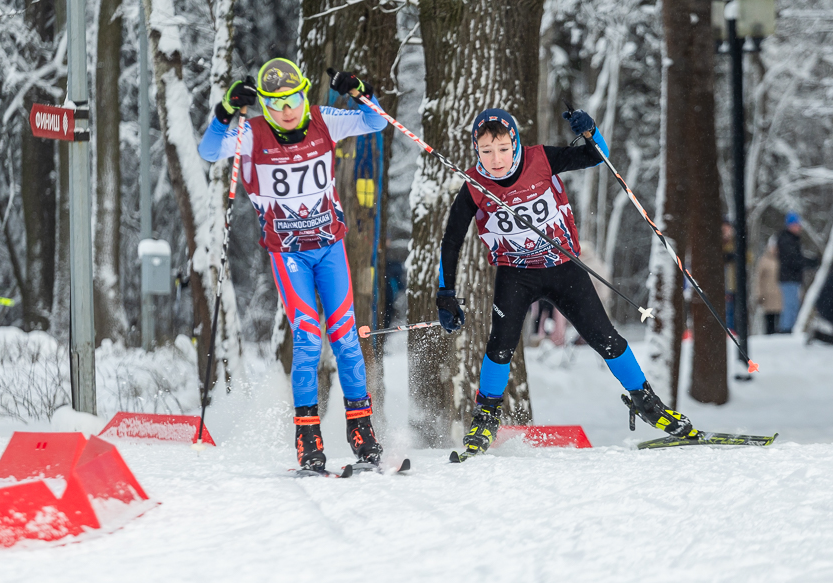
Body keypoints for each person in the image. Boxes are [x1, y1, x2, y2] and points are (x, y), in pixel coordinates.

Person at [436, 108, 696, 458]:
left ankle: (647, 403)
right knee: (500, 345)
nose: (495, 159)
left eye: (501, 148)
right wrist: (445, 293)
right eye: (485, 151)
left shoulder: (541, 159)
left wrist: (591, 131)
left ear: (514, 143)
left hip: (563, 268)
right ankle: (485, 416)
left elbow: (595, 156)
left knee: (606, 339)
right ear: (476, 150)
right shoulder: (474, 185)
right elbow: (451, 241)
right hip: (516, 274)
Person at [198, 59, 387, 472]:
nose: (287, 110)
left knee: (344, 335)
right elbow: (209, 151)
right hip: (289, 254)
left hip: (330, 247)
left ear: (305, 94)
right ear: (264, 105)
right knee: (306, 335)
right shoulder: (251, 133)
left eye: (294, 99)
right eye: (277, 103)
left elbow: (376, 123)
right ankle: (307, 437)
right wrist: (226, 111)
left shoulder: (324, 120)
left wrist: (359, 90)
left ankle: (362, 430)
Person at [777, 211, 820, 332]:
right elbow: (793, 260)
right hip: (789, 278)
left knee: (793, 306)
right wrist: (810, 263)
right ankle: (786, 330)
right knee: (790, 307)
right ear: (790, 225)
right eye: (796, 224)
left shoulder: (792, 239)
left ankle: (789, 329)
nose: (799, 227)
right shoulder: (786, 239)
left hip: (793, 278)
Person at [753, 236, 782, 335]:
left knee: (780, 320)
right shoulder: (763, 260)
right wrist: (759, 294)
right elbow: (758, 279)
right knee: (769, 320)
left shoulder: (781, 260)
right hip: (768, 295)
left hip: (780, 295)